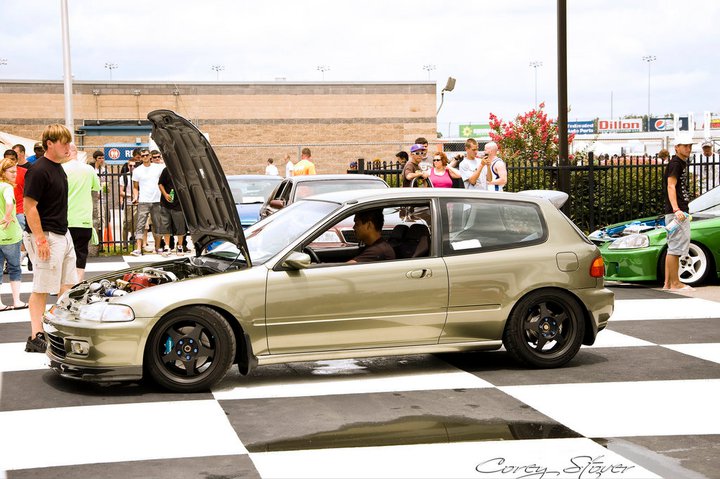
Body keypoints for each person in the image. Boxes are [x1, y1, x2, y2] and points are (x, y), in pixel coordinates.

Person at [23, 124, 78, 353]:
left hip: (62, 233)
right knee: (42, 287)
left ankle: (57, 330)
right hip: (46, 235)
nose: (68, 147)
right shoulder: (38, 170)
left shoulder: (58, 168)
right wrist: (40, 239)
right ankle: (35, 336)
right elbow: (29, 207)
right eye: (64, 143)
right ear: (50, 144)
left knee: (68, 285)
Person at [63, 143, 101, 282]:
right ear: (76, 152)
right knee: (81, 253)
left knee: (64, 255)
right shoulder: (88, 169)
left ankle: (65, 283)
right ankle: (78, 283)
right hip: (84, 219)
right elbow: (96, 188)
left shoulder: (61, 169)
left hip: (65, 219)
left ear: (66, 152)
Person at [662, 134, 694, 291]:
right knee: (675, 248)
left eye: (690, 146)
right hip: (677, 212)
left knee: (672, 247)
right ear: (676, 147)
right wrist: (676, 209)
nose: (688, 149)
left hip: (677, 211)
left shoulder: (679, 163)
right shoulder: (676, 163)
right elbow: (671, 185)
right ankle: (676, 283)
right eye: (685, 146)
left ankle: (668, 283)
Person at [0, 157, 26, 311]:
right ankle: (17, 301)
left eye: (15, 171)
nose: (15, 174)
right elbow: (9, 202)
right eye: (11, 172)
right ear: (3, 172)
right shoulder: (7, 187)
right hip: (9, 233)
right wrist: (8, 216)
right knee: (15, 268)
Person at [131, 149, 164, 256]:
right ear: (140, 158)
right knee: (140, 225)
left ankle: (157, 247)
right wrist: (135, 197)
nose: (145, 157)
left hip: (157, 200)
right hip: (143, 201)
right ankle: (138, 249)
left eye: (146, 155)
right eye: (142, 156)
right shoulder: (137, 170)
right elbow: (135, 187)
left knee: (157, 225)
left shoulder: (158, 167)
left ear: (150, 156)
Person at [157, 165, 187, 255]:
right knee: (165, 225)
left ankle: (180, 246)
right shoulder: (167, 170)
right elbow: (160, 184)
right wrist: (165, 194)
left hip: (179, 204)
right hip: (165, 204)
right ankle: (167, 246)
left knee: (180, 226)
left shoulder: (184, 170)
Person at [119, 151, 139, 245]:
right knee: (126, 224)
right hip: (128, 204)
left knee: (137, 224)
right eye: (130, 166)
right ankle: (124, 244)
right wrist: (131, 195)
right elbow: (121, 192)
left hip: (138, 203)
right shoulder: (124, 177)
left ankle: (135, 242)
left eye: (134, 166)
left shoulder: (139, 175)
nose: (132, 167)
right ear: (128, 166)